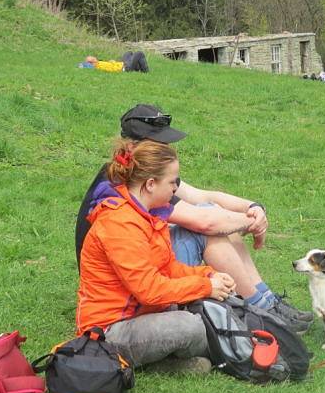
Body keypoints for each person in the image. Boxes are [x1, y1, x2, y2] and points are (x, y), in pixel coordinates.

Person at [75, 104, 313, 333]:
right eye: (160, 143)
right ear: (136, 147)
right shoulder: (134, 185)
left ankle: (266, 302)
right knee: (212, 228)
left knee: (220, 219)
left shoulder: (143, 174)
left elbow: (203, 196)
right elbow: (205, 221)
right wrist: (249, 222)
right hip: (122, 286)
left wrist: (252, 207)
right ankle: (261, 312)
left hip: (139, 265)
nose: (166, 149)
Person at [77, 140, 235, 370]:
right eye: (173, 181)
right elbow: (148, 291)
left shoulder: (149, 215)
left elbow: (169, 268)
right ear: (150, 184)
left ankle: (175, 360)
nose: (175, 188)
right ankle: (163, 362)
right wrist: (205, 287)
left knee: (206, 306)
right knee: (189, 326)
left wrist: (208, 275)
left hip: (142, 314)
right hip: (109, 330)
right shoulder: (119, 224)